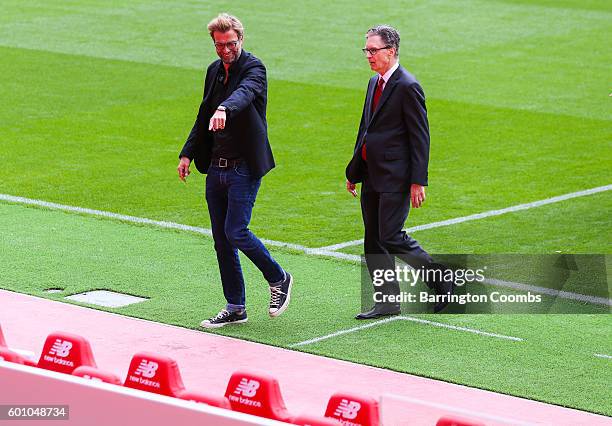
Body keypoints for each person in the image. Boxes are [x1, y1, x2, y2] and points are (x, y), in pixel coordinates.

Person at [177, 13, 292, 328]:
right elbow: (203, 115)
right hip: (216, 167)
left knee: (236, 231)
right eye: (219, 45)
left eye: (230, 44)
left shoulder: (254, 68)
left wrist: (225, 108)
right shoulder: (214, 71)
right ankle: (235, 306)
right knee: (221, 239)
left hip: (244, 167)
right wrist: (187, 153)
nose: (226, 50)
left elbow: (245, 94)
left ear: (241, 40)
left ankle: (279, 277)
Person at [346, 25, 451, 319]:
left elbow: (420, 136)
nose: (368, 55)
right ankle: (387, 301)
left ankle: (440, 278)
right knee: (372, 239)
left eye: (373, 50)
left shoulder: (407, 86)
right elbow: (366, 128)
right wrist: (354, 170)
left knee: (390, 235)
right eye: (366, 50)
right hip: (371, 174)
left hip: (396, 176)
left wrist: (418, 180)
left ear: (391, 52)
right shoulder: (373, 82)